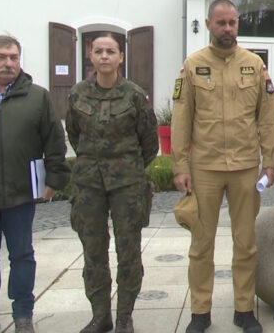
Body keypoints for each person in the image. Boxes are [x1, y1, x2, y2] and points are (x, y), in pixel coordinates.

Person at [172, 0, 274, 333]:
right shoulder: (193, 65)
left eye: (232, 23)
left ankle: (244, 309)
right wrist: (180, 166)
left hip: (245, 166)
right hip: (205, 167)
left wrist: (271, 161)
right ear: (208, 25)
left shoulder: (254, 65)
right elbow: (181, 119)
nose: (228, 29)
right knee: (201, 244)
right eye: (221, 23)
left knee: (245, 243)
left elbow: (266, 117)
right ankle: (200, 312)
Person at [0, 35, 70, 333]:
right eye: (2, 57)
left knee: (22, 255)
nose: (9, 63)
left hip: (21, 194)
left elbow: (54, 141)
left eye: (14, 57)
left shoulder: (37, 97)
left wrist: (54, 179)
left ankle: (23, 316)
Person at [66, 33, 159, 333]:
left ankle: (124, 317)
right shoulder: (77, 94)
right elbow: (74, 134)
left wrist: (127, 167)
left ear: (121, 57)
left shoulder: (134, 95)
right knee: (93, 250)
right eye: (98, 51)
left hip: (127, 186)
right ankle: (100, 315)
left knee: (128, 250)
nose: (104, 56)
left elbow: (149, 142)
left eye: (110, 51)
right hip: (88, 184)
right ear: (90, 57)